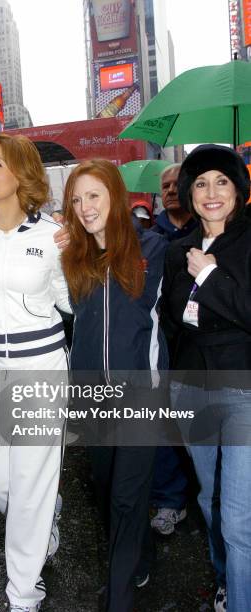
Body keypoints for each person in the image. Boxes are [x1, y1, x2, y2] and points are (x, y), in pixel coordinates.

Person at [0, 133, 71, 612]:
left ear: (22, 174)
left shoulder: (52, 236)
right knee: (1, 480)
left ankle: (23, 591)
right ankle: (42, 517)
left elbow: (70, 297)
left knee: (31, 480)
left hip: (40, 363)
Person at [61, 159, 168, 612]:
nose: (85, 207)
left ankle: (118, 597)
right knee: (107, 491)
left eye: (94, 195)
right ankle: (141, 554)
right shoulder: (72, 257)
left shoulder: (153, 248)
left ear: (116, 197)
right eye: (77, 198)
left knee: (126, 495)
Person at [161, 144, 251, 612]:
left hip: (243, 392)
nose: (211, 192)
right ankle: (225, 580)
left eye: (222, 181)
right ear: (189, 194)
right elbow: (171, 323)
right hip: (191, 390)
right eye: (200, 183)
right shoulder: (179, 251)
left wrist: (213, 278)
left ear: (238, 188)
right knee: (211, 499)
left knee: (239, 520)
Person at [150, 162, 197, 537]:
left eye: (175, 183)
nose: (169, 190)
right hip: (163, 344)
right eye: (163, 185)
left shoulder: (212, 231)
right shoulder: (147, 234)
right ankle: (169, 499)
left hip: (202, 348)